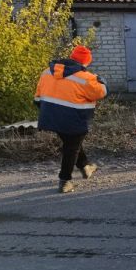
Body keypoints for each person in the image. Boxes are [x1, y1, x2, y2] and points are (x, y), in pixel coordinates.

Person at [34, 45, 108, 193]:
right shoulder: (86, 78)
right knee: (71, 147)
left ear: (72, 57)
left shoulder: (47, 72)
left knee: (71, 143)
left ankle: (85, 166)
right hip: (74, 118)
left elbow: (37, 98)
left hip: (50, 117)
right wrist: (102, 81)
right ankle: (65, 180)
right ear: (86, 62)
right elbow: (101, 93)